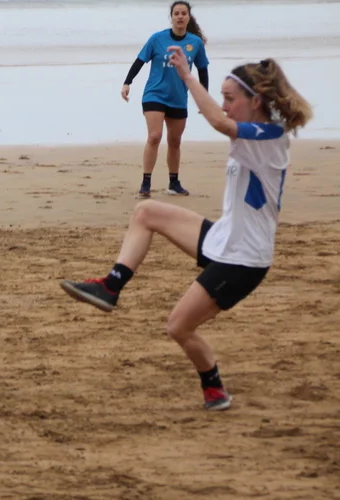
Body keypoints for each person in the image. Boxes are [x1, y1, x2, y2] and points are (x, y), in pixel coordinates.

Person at [62, 51, 313, 411]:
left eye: (230, 98)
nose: (224, 106)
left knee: (178, 326)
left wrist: (187, 76)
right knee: (146, 212)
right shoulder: (256, 133)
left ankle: (214, 389)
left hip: (243, 260)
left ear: (255, 101)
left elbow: (220, 123)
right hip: (224, 238)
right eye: (222, 98)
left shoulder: (269, 136)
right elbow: (224, 121)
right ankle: (110, 287)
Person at [122, 0, 210, 198]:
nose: (180, 17)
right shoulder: (157, 39)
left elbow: (203, 70)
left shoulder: (195, 43)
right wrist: (127, 82)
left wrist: (203, 98)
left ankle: (174, 183)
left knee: (175, 141)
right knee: (155, 136)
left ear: (188, 17)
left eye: (183, 13)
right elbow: (140, 61)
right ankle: (146, 183)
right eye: (176, 13)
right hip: (154, 94)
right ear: (171, 17)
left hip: (178, 97)